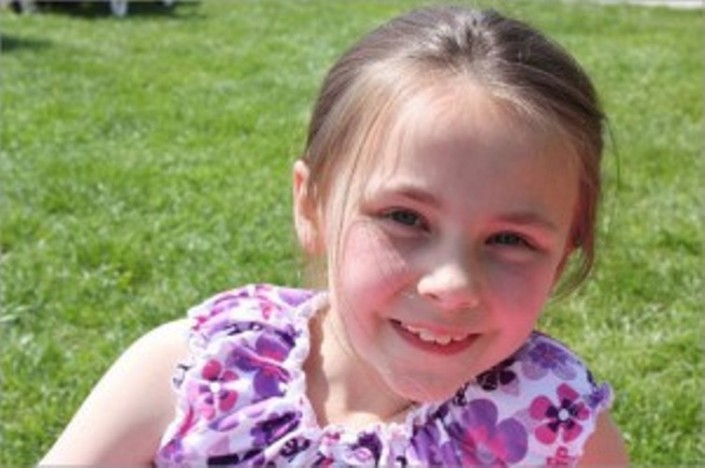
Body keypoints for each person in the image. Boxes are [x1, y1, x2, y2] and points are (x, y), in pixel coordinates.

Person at [40, 5, 628, 465]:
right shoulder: (195, 375)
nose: (453, 284)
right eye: (406, 218)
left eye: (512, 240)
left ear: (563, 254)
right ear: (313, 207)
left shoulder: (559, 432)